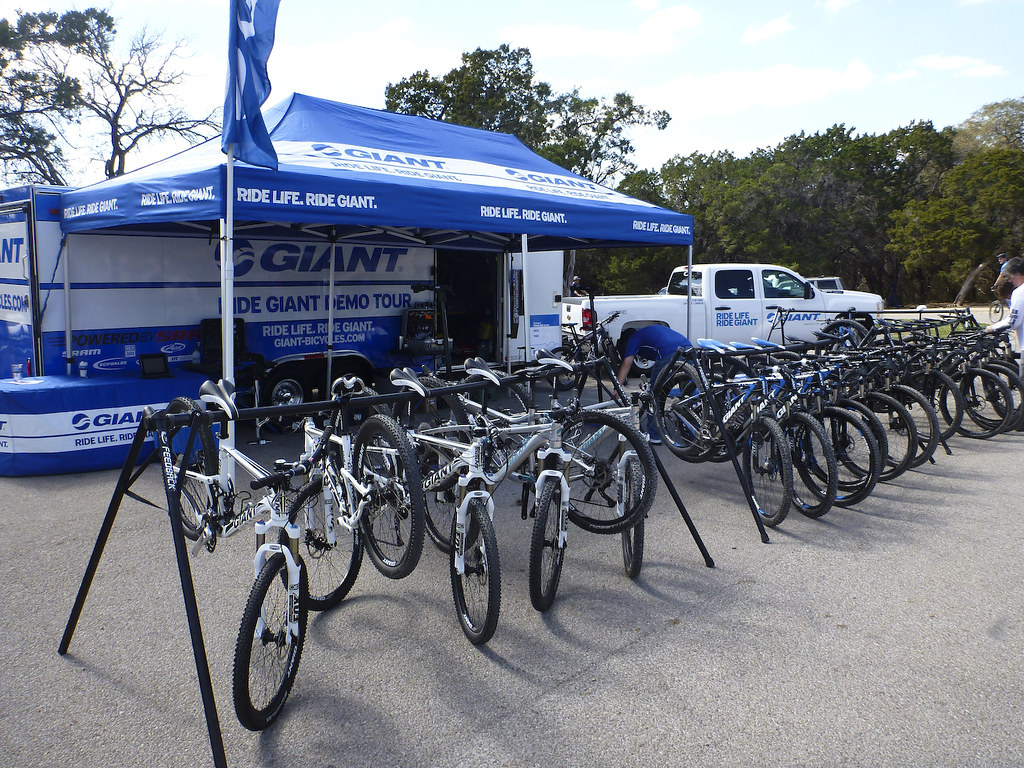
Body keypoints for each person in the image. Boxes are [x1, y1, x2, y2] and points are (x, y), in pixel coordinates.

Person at [616, 324, 692, 443]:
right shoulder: (646, 332)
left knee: (654, 394)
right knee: (688, 393)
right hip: (688, 347)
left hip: (668, 352)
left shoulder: (633, 338)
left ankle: (655, 435)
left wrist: (617, 387)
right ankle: (692, 432)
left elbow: (626, 364)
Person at [985, 256, 1024, 378]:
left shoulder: (1019, 292)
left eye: (1010, 277)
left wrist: (993, 328)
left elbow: (1013, 322)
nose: (1010, 281)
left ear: (1017, 274)